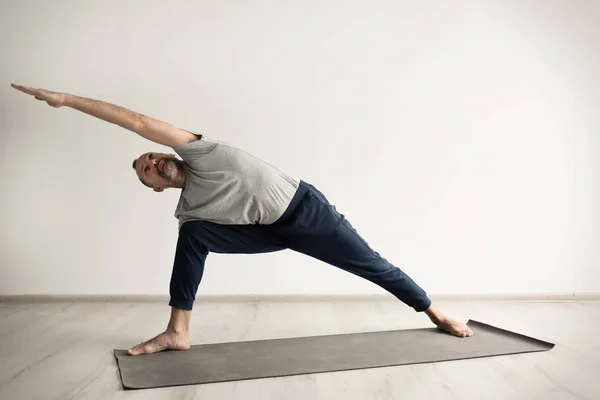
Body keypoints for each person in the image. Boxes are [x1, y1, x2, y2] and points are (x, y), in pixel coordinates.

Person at [11, 83, 473, 355]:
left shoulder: (199, 150)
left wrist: (66, 100)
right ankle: (178, 331)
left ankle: (435, 311)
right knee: (192, 236)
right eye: (146, 170)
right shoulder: (189, 211)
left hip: (305, 212)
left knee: (371, 264)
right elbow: (196, 235)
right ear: (155, 187)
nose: (152, 159)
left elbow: (134, 120)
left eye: (150, 155)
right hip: (268, 229)